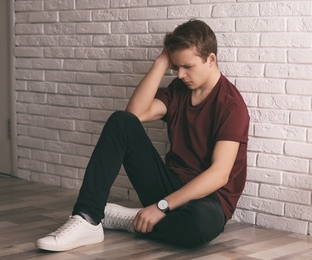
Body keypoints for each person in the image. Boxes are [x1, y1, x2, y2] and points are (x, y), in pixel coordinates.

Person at [35, 19, 250, 251]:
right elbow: (135, 114)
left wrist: (161, 207)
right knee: (121, 122)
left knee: (198, 226)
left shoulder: (231, 106)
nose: (180, 75)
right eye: (175, 66)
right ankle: (87, 218)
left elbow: (219, 175)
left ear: (211, 59)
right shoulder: (180, 91)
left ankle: (134, 219)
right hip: (169, 186)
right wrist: (160, 62)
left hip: (208, 201)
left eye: (187, 66)